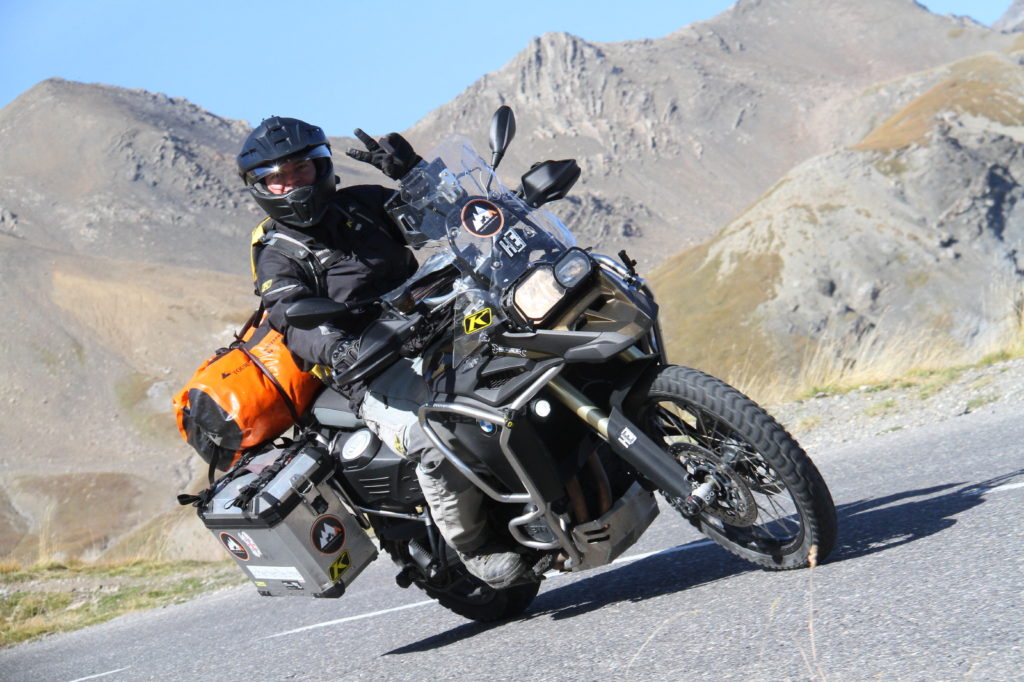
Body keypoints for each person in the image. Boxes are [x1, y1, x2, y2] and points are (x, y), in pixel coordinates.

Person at [236, 116, 528, 588]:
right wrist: (341, 349)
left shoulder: (363, 204)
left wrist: (414, 173)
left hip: (440, 324)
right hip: (374, 367)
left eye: (300, 171)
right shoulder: (279, 253)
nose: (292, 185)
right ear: (260, 187)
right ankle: (476, 547)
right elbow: (290, 318)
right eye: (278, 177)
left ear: (321, 167)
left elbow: (451, 217)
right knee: (432, 439)